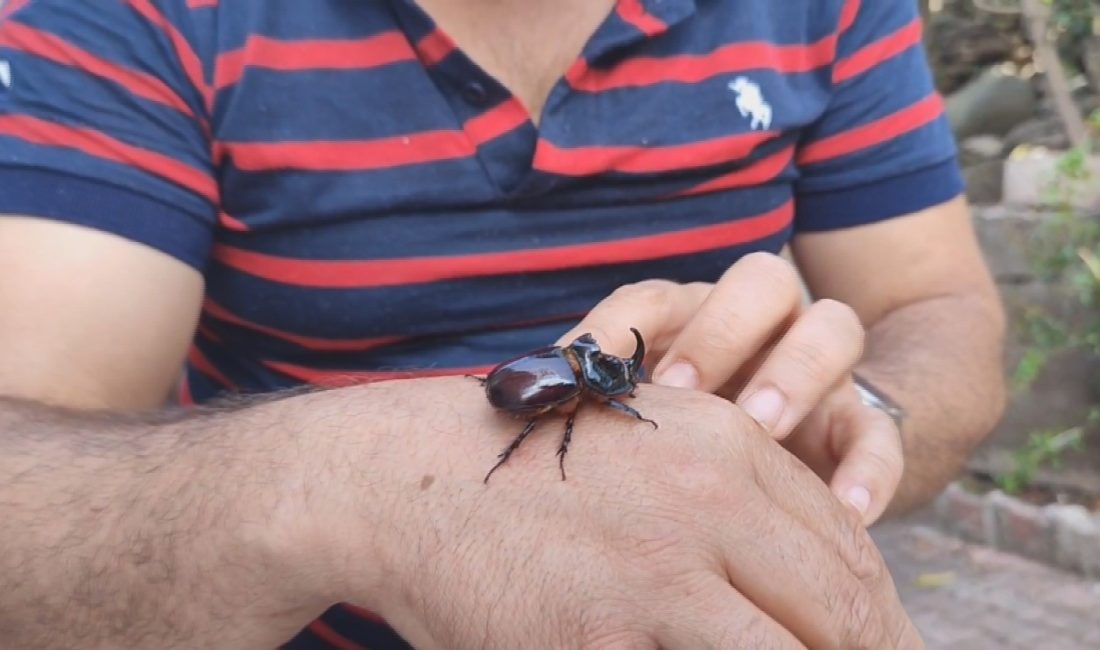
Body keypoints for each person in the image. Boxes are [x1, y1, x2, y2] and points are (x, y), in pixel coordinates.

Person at [0, 0, 1005, 647]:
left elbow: (938, 306)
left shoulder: (827, 12)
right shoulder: (121, 19)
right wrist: (352, 480)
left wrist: (841, 415)